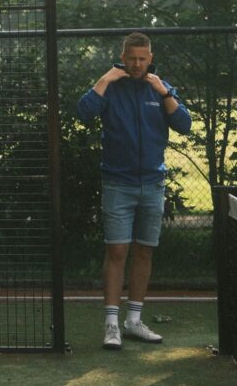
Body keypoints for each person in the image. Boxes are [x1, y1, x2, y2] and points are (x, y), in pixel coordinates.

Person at [77, 32, 191, 351]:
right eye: (132, 58)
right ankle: (111, 325)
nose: (137, 64)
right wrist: (104, 78)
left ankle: (133, 321)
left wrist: (163, 90)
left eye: (143, 59)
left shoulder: (160, 87)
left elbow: (184, 125)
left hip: (153, 185)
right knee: (117, 252)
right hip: (117, 183)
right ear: (123, 57)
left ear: (150, 59)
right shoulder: (111, 87)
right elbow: (83, 112)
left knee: (144, 251)